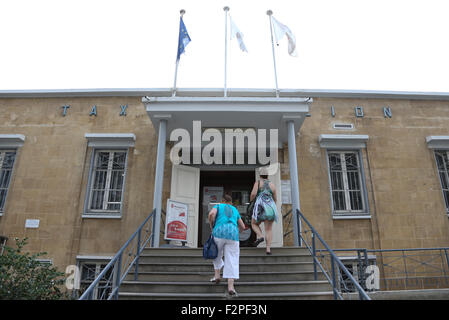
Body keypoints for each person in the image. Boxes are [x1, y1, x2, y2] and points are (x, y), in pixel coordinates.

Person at [208, 194, 247, 297]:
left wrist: (211, 226)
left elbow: (211, 214)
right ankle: (231, 286)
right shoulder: (235, 209)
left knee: (216, 253)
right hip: (233, 234)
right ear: (231, 202)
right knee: (232, 259)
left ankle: (217, 276)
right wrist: (237, 231)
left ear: (222, 200)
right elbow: (243, 226)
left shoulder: (218, 206)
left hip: (219, 232)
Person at [250, 173, 278, 255]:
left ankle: (260, 236)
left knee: (254, 223)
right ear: (268, 176)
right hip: (270, 208)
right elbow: (275, 199)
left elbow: (253, 194)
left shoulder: (258, 183)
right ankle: (268, 249)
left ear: (260, 176)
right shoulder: (272, 185)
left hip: (260, 207)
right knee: (268, 229)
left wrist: (251, 201)